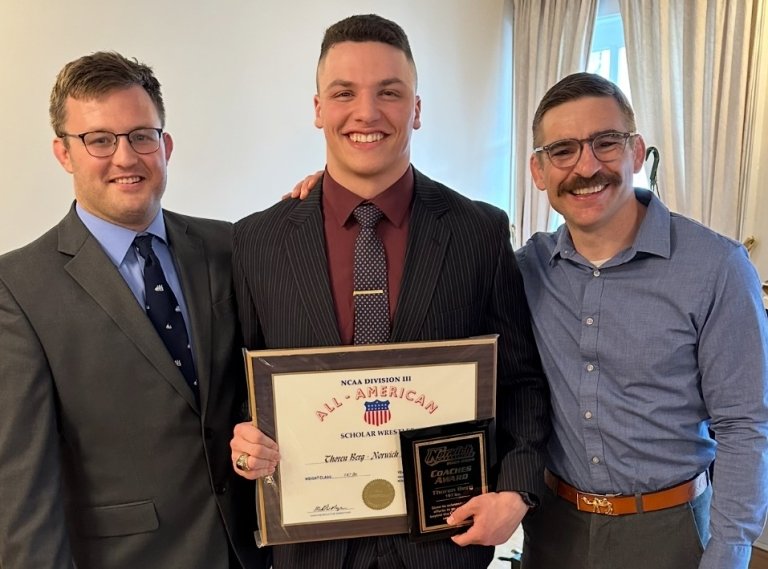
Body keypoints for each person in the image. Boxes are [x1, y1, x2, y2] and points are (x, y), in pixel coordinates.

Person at [229, 14, 550, 569]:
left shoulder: (479, 232)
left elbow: (520, 380)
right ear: (318, 109)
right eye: (344, 93)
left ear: (417, 110)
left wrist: (518, 491)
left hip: (443, 545)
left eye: (390, 93)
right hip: (313, 547)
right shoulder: (257, 241)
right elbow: (243, 384)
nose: (367, 113)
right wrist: (245, 444)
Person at [0, 51, 268, 569]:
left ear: (164, 145)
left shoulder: (231, 246)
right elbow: (21, 489)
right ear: (63, 153)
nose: (126, 158)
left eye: (141, 136)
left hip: (249, 553)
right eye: (99, 140)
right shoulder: (17, 289)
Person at [517, 72, 768, 569]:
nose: (587, 166)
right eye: (563, 150)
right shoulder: (529, 269)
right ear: (539, 171)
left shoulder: (716, 267)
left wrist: (730, 551)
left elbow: (744, 423)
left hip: (669, 532)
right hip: (553, 528)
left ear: (636, 152)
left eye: (606, 143)